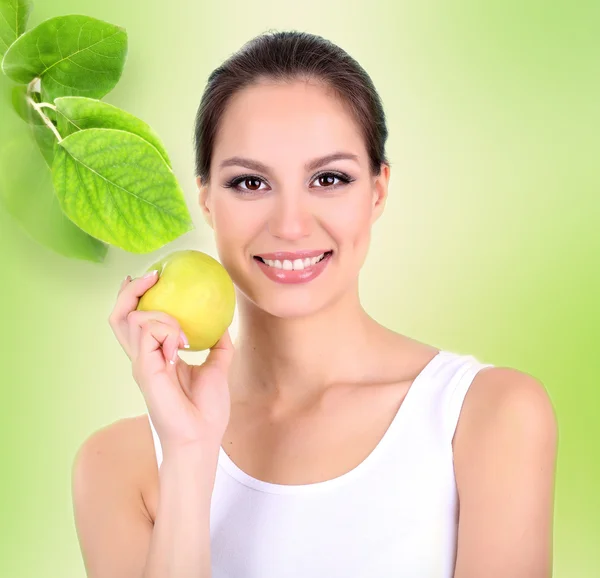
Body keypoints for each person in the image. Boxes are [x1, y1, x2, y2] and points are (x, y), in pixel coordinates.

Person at [71, 30, 558, 578]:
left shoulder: (488, 417)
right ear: (206, 197)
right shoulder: (118, 466)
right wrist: (186, 456)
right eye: (251, 182)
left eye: (329, 178)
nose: (291, 225)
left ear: (377, 191)